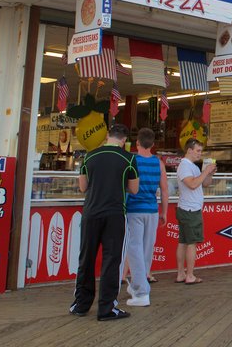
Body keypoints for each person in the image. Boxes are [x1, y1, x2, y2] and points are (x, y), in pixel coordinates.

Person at [70, 124, 139, 321]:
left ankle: (81, 305)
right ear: (124, 140)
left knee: (86, 258)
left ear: (107, 136)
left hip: (91, 212)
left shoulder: (89, 156)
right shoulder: (129, 158)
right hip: (115, 214)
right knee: (111, 261)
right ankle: (106, 308)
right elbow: (134, 189)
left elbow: (83, 187)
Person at [122, 127, 168, 307]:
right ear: (153, 145)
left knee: (134, 249)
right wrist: (164, 212)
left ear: (137, 143)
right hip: (152, 210)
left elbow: (125, 185)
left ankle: (141, 291)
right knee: (147, 249)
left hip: (134, 209)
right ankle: (138, 284)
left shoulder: (131, 160)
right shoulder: (159, 163)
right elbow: (164, 190)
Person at [175, 139, 215, 283]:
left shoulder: (192, 166)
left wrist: (209, 173)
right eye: (198, 151)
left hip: (187, 208)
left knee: (183, 241)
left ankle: (181, 274)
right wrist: (205, 171)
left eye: (200, 151)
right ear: (189, 150)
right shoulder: (185, 166)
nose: (200, 154)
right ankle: (190, 275)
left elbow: (205, 184)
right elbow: (192, 184)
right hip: (190, 209)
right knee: (191, 243)